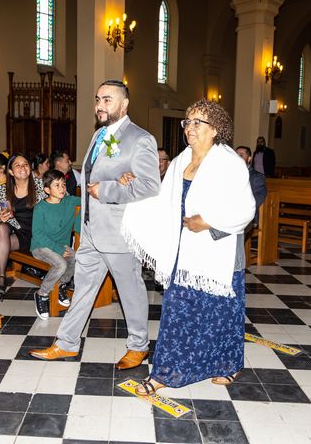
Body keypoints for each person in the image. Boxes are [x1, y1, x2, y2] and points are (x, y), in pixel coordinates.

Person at [120, 99, 255, 395]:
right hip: (183, 250)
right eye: (187, 122)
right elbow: (161, 199)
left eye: (198, 123)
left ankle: (229, 364)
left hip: (219, 250)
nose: (190, 128)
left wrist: (207, 222)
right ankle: (164, 373)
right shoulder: (182, 159)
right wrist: (135, 185)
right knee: (177, 311)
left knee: (222, 312)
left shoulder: (229, 162)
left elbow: (246, 208)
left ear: (215, 129)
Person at [30, 79, 161, 369]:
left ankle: (139, 346)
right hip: (90, 231)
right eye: (98, 99)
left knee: (131, 290)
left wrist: (109, 190)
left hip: (119, 233)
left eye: (108, 100)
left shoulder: (140, 139)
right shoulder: (99, 135)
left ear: (124, 104)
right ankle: (66, 343)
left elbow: (151, 186)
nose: (100, 105)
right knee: (84, 289)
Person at [0, 153, 47, 308]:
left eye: (25, 164)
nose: (22, 168)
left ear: (30, 168)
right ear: (10, 171)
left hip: (35, 234)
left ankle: (0, 283)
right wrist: (0, 216)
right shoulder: (4, 189)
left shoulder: (40, 185)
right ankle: (1, 280)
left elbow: (61, 197)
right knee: (0, 227)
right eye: (17, 165)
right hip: (16, 232)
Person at [31, 169, 82, 320]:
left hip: (61, 246)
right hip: (41, 246)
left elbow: (88, 200)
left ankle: (61, 285)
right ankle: (42, 294)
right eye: (57, 185)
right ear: (47, 190)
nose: (62, 188)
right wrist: (58, 249)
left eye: (63, 184)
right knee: (61, 264)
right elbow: (38, 234)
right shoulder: (40, 207)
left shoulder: (69, 201)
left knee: (76, 258)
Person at [236, 146, 267, 226]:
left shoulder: (257, 177)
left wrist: (238, 208)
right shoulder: (229, 174)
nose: (237, 157)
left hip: (247, 216)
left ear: (249, 158)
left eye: (241, 155)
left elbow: (258, 199)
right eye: (236, 154)